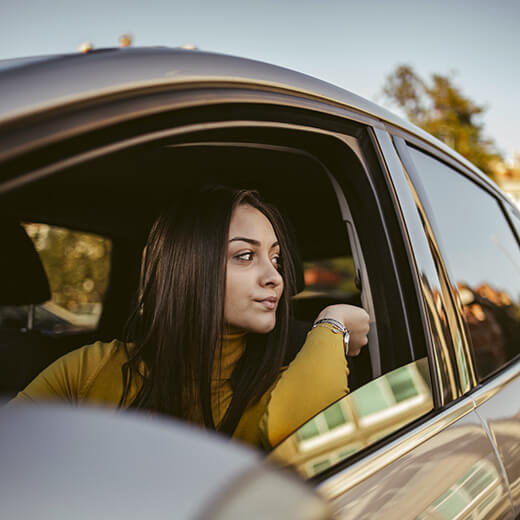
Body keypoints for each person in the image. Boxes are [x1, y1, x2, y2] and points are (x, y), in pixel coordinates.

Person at [10, 186, 369, 449]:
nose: (275, 276)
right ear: (190, 268)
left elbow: (289, 428)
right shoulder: (88, 370)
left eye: (276, 259)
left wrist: (331, 323)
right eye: (245, 255)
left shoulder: (280, 381)